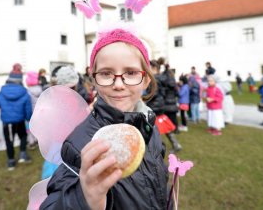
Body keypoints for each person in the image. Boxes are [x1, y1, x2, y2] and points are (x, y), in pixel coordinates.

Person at [39, 27, 169, 209]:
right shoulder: (80, 144)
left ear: (146, 79)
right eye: (106, 73)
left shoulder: (149, 126)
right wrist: (83, 199)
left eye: (131, 73)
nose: (118, 84)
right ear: (94, 79)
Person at [0, 70, 32, 170]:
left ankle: (11, 161)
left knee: (9, 140)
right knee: (23, 135)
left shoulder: (2, 92)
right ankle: (23, 154)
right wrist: (29, 118)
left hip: (7, 122)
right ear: (20, 80)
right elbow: (28, 108)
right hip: (20, 120)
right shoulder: (24, 92)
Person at [146, 60, 181, 152]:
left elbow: (153, 93)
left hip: (154, 106)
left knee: (153, 128)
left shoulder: (154, 79)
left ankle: (155, 149)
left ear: (154, 68)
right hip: (160, 105)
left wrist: (143, 98)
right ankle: (176, 144)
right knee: (163, 126)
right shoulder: (162, 78)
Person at [26, 71, 43, 149]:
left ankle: (31, 142)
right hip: (39, 112)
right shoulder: (40, 89)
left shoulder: (27, 91)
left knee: (29, 128)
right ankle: (37, 140)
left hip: (30, 112)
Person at [161, 63, 180, 133]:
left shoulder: (164, 79)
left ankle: (169, 129)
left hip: (166, 102)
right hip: (173, 103)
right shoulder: (174, 82)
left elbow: (163, 93)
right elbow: (177, 94)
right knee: (174, 117)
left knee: (167, 118)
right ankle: (176, 129)